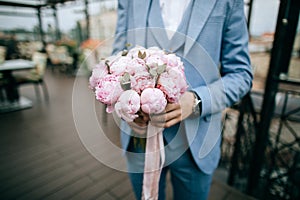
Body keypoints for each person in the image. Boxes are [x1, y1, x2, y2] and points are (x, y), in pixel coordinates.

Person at [112, 0, 253, 199]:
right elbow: (116, 61)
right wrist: (127, 105)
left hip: (196, 143)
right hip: (139, 140)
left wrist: (197, 100)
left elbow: (241, 75)